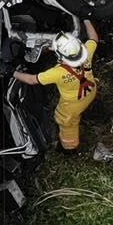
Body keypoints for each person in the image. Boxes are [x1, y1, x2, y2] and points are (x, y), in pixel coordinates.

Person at [13, 19, 99, 152]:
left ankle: (69, 148)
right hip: (90, 91)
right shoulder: (87, 52)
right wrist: (87, 19)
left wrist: (12, 73)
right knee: (84, 106)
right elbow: (94, 38)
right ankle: (91, 112)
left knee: (65, 123)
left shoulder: (57, 73)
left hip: (71, 107)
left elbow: (32, 80)